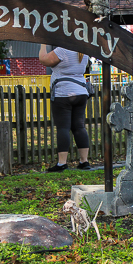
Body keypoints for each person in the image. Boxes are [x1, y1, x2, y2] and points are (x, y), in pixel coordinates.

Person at [39, 44, 91, 172]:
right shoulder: (84, 50)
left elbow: (43, 60)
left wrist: (42, 45)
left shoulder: (63, 50)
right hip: (81, 92)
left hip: (64, 93)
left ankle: (62, 163)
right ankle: (84, 161)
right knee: (79, 127)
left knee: (63, 128)